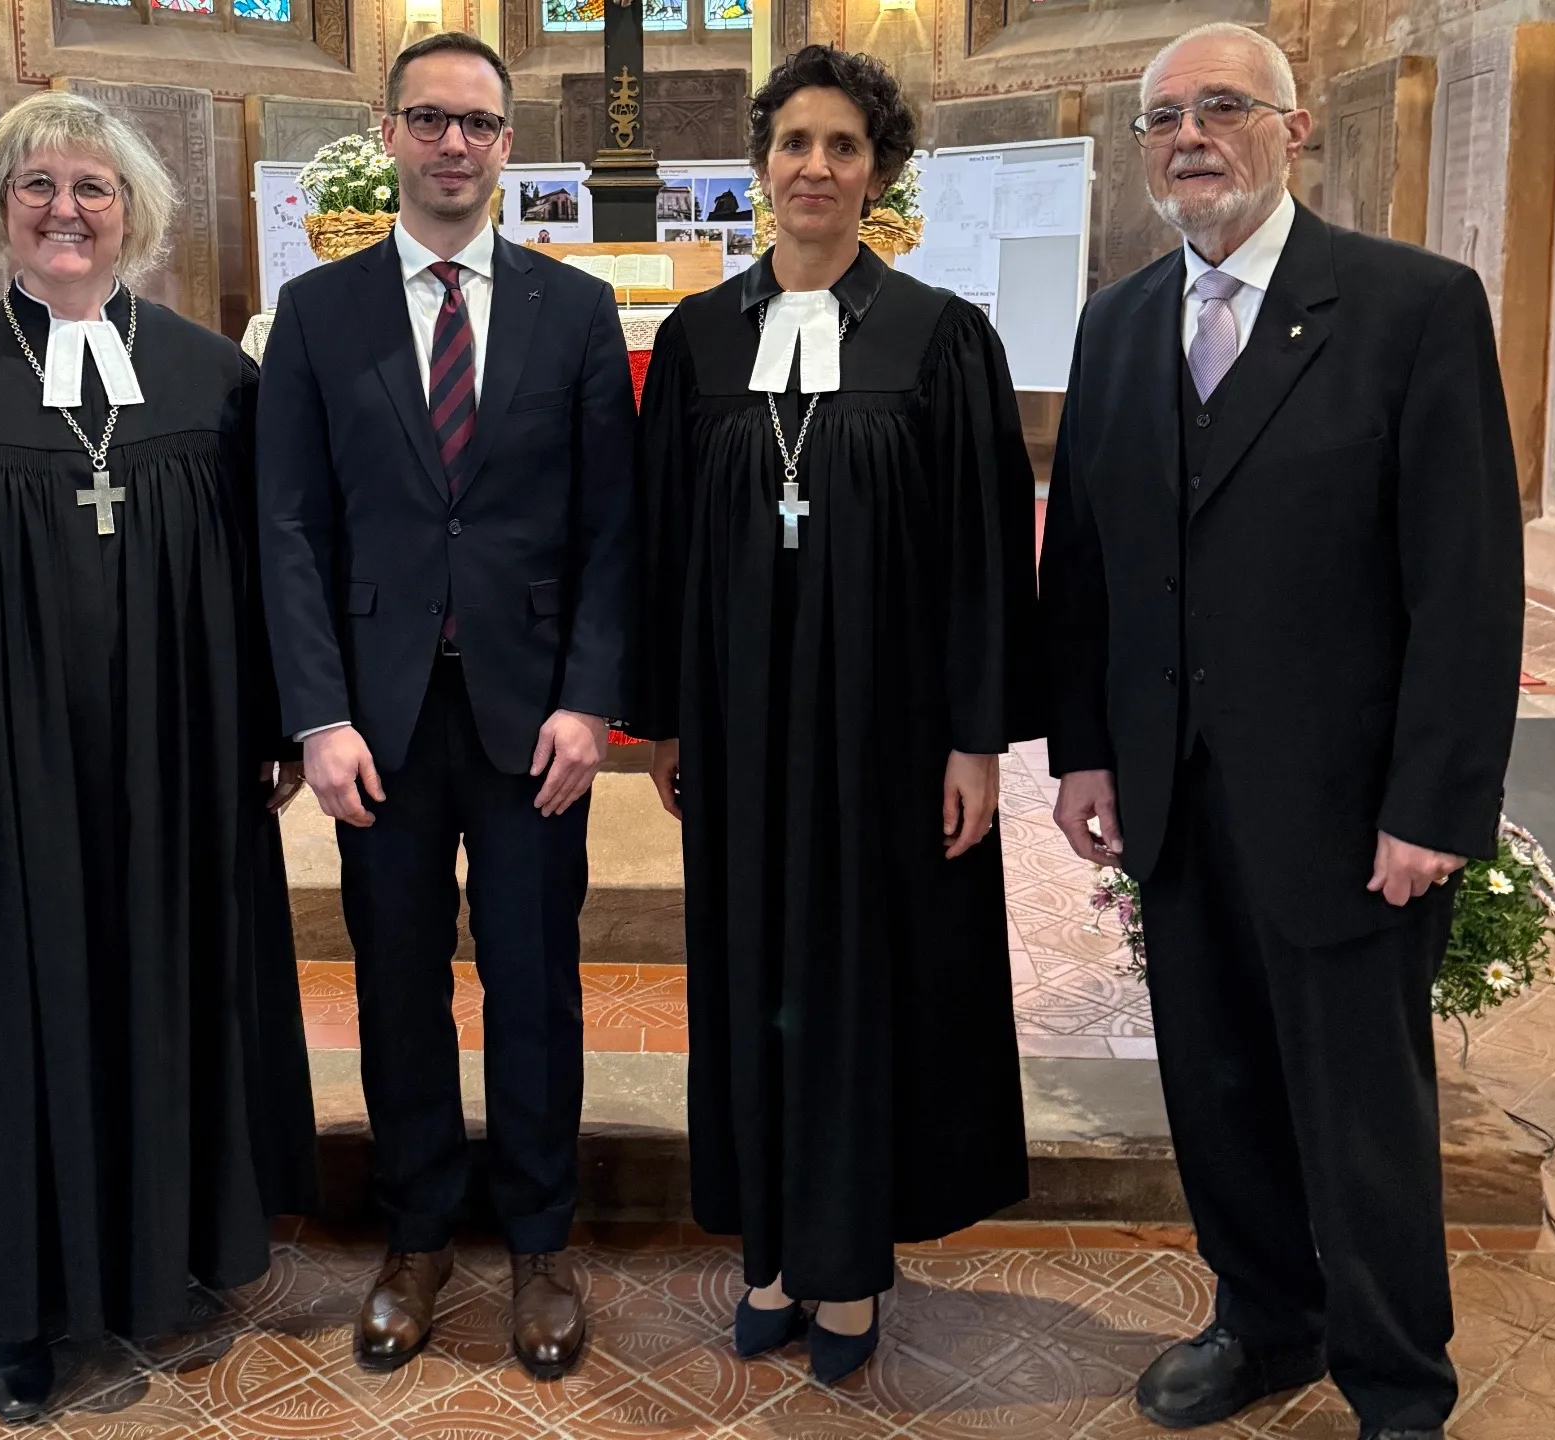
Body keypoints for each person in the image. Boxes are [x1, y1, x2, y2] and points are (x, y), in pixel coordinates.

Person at [1040, 23, 1523, 1440]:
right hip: (1180, 802)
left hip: (1348, 806)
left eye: (1224, 108)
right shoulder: (1118, 322)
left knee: (1361, 1116)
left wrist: (1435, 806)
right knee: (1218, 1088)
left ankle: (1395, 1382)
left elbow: (1466, 580)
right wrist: (1081, 751)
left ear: (1295, 129)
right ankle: (1263, 1320)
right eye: (1165, 116)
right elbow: (1087, 564)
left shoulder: (1412, 306)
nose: (1191, 135)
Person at [0, 91, 317, 1424]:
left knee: (169, 984)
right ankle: (19, 1306)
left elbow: (273, 574)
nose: (65, 210)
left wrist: (271, 723)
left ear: (134, 209)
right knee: (9, 1007)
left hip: (177, 768)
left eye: (92, 187)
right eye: (37, 185)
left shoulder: (216, 379)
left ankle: (177, 1258)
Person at [634, 44, 1042, 1385]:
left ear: (880, 172)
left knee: (867, 981)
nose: (815, 168)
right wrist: (667, 720)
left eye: (843, 147)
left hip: (886, 733)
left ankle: (852, 1263)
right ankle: (764, 1250)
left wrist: (976, 737)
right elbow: (660, 543)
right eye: (793, 144)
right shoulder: (699, 337)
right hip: (742, 736)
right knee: (750, 974)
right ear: (761, 166)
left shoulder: (940, 335)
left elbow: (988, 549)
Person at [255, 33, 634, 1380]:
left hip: (534, 723)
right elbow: (290, 529)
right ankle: (418, 1236)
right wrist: (318, 715)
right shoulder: (318, 313)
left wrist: (592, 704)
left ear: (509, 142)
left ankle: (538, 1241)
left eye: (477, 122)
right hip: (381, 728)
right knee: (397, 980)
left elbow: (610, 531)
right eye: (430, 119)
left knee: (537, 984)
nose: (454, 144)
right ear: (389, 132)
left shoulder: (575, 311)